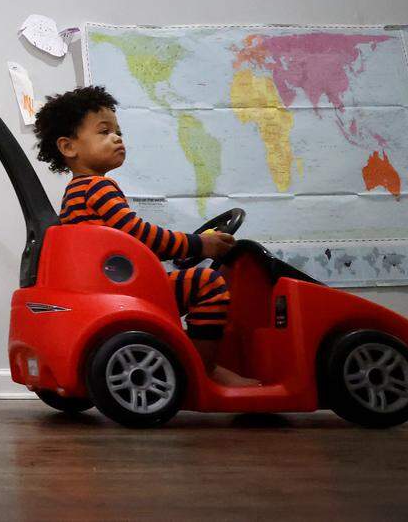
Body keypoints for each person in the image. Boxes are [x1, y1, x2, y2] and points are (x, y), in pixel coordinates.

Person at [33, 85, 260, 387]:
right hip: (126, 294)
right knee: (208, 284)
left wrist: (188, 247)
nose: (117, 137)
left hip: (105, 288)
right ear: (68, 147)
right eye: (104, 132)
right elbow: (139, 236)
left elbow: (128, 241)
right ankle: (202, 371)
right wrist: (200, 245)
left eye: (119, 132)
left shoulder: (75, 193)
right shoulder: (98, 187)